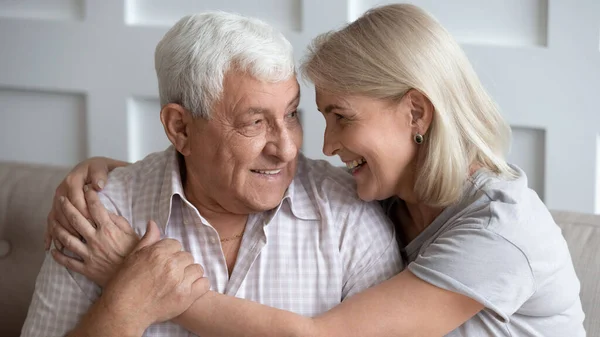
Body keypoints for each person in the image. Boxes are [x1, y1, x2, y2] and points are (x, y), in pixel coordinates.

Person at [44, 3, 586, 337]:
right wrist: (124, 175)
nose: (317, 147)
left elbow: (318, 336)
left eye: (341, 118)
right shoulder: (392, 196)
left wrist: (138, 283)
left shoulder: (498, 232)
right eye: (258, 121)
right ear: (179, 130)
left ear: (416, 113)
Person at [21, 10, 402, 337]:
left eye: (291, 114)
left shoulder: (348, 215)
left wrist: (125, 272)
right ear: (181, 129)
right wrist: (125, 305)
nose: (286, 149)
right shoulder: (99, 217)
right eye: (254, 122)